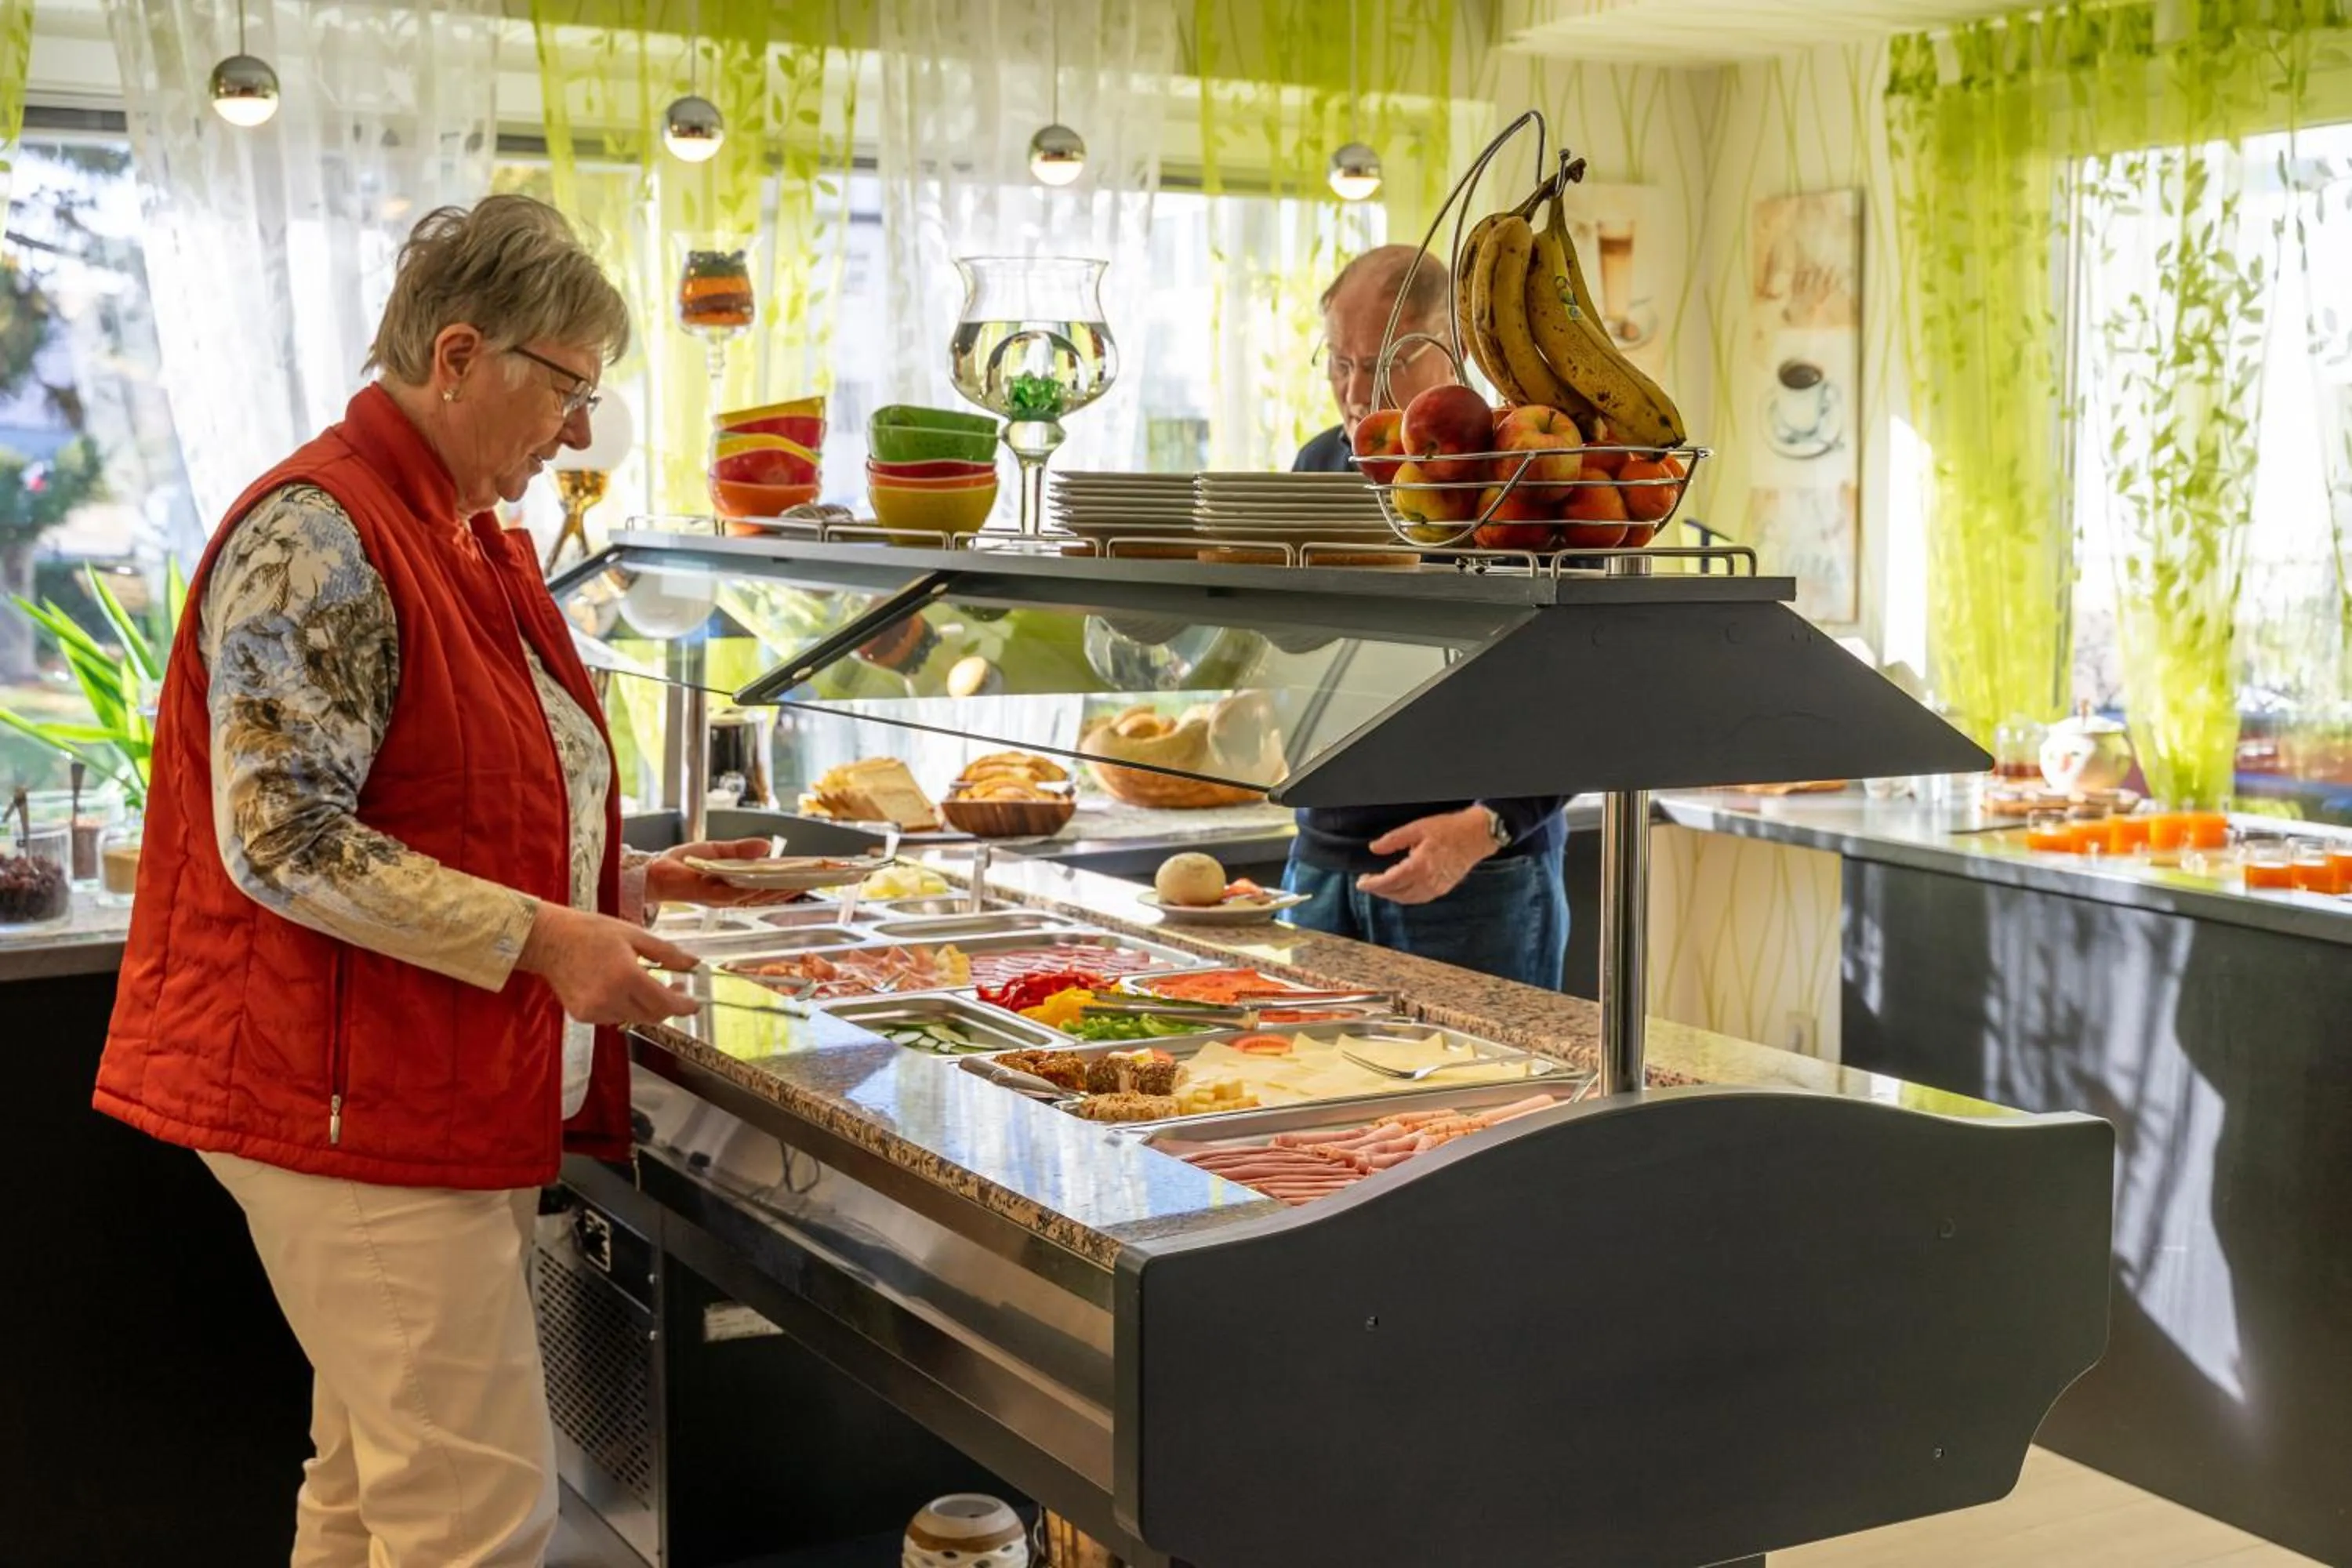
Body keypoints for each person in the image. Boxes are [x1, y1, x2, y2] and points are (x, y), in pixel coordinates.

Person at [93, 195, 782, 1566]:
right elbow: (285, 838)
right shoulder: (321, 535)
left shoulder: (446, 528)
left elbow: (454, 794)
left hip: (390, 1080)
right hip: (349, 1099)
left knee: (366, 1492)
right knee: (477, 1520)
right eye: (569, 388)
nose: (581, 431)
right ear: (460, 355)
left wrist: (627, 879)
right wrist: (545, 941)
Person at [1284, 245, 1570, 988]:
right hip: (1318, 864)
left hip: (1475, 873)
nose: (1353, 392)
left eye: (1378, 364)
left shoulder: (1515, 474)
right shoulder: (1318, 466)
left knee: (1496, 1102)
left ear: (1448, 352)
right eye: (1338, 363)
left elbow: (1579, 678)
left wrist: (1484, 828)